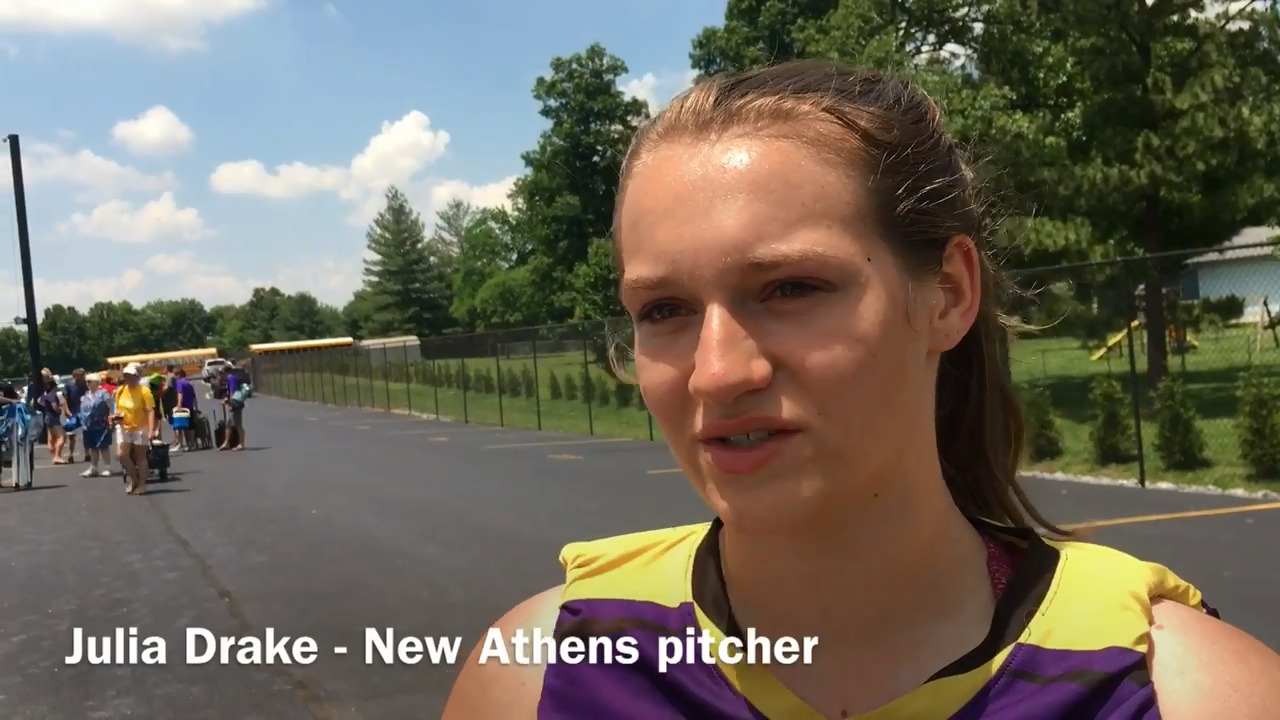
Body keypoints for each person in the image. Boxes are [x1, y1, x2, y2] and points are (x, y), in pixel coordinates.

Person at [442, 61, 1280, 719]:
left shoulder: (1177, 692)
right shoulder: (544, 675)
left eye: (792, 289)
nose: (717, 372)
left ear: (947, 293)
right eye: (663, 309)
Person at [112, 363, 156, 495]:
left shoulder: (144, 391)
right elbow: (118, 409)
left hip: (140, 427)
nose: (129, 378)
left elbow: (150, 410)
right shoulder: (120, 391)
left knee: (140, 457)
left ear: (137, 376)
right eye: (127, 376)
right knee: (122, 455)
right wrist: (115, 416)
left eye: (132, 376)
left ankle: (142, 483)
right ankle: (133, 479)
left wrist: (151, 430)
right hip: (124, 427)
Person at [77, 373, 113, 478]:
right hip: (88, 425)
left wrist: (111, 418)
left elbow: (110, 406)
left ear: (96, 382)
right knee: (93, 447)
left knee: (103, 446)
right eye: (87, 381)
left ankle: (108, 467)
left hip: (101, 424)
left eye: (90, 381)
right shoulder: (85, 395)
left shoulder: (103, 393)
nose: (88, 384)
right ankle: (93, 468)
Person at [62, 368, 90, 463]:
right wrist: (66, 410)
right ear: (75, 375)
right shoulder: (69, 385)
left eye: (82, 375)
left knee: (86, 433)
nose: (82, 377)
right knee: (71, 435)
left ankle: (87, 454)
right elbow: (65, 399)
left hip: (83, 412)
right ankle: (71, 454)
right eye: (80, 375)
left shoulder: (85, 385)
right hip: (72, 412)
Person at [37, 377, 67, 465]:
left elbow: (39, 401)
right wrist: (59, 410)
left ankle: (55, 455)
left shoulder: (45, 394)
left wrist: (46, 407)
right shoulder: (52, 395)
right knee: (62, 437)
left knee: (53, 437)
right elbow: (55, 406)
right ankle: (57, 456)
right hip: (53, 418)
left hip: (47, 417)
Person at [218, 365, 246, 451]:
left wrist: (228, 402)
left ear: (225, 372)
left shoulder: (231, 378)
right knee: (229, 424)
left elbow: (232, 392)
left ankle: (241, 444)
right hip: (236, 402)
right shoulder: (233, 378)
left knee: (237, 424)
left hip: (235, 404)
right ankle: (226, 443)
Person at [171, 368, 197, 451]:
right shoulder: (189, 383)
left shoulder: (179, 383)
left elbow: (180, 394)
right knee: (190, 427)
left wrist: (178, 406)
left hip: (183, 407)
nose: (174, 376)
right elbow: (194, 396)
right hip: (190, 407)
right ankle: (192, 444)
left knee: (179, 427)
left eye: (175, 374)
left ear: (179, 374)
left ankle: (180, 444)